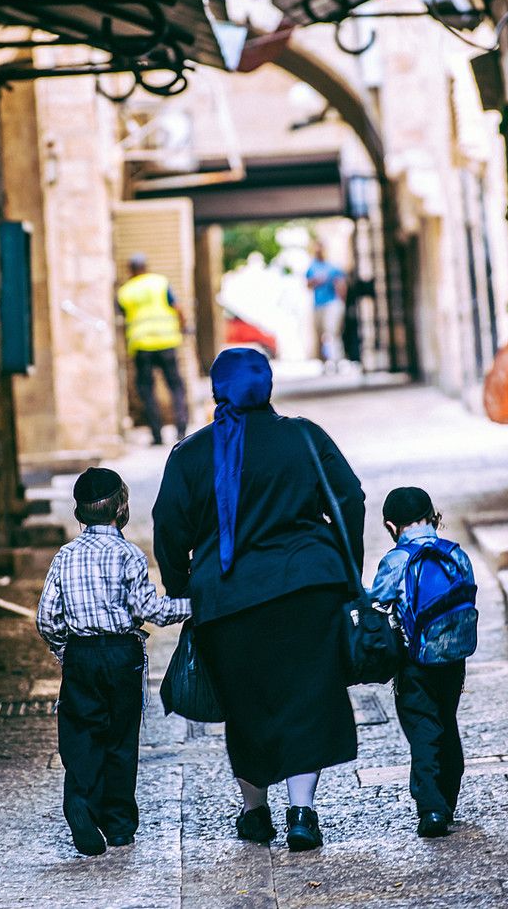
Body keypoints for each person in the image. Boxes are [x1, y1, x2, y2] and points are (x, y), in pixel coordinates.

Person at [152, 347, 365, 850]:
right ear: (266, 385)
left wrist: (182, 584)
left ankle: (255, 813)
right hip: (306, 590)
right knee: (306, 697)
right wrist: (343, 563)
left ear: (216, 389)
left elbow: (168, 526)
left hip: (228, 604)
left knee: (247, 705)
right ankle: (303, 813)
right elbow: (350, 497)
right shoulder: (303, 436)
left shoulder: (189, 455)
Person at [36, 467, 191, 856]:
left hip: (81, 655)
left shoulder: (65, 556)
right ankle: (119, 826)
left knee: (83, 732)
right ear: (122, 508)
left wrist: (64, 651)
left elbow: (46, 618)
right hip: (123, 654)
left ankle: (80, 802)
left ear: (78, 514)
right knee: (121, 738)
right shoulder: (129, 554)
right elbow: (148, 608)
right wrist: (195, 604)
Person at [369, 486, 472, 838]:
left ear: (390, 525)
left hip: (414, 663)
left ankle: (431, 810)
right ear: (432, 515)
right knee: (447, 720)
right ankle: (448, 800)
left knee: (424, 731)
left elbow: (378, 604)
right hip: (454, 659)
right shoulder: (455, 554)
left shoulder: (396, 560)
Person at [117, 253, 189, 445]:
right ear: (146, 267)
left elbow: (121, 318)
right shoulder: (160, 283)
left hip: (142, 347)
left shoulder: (126, 291)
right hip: (167, 342)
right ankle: (181, 430)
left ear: (130, 270)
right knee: (176, 386)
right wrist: (183, 326)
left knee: (147, 390)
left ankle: (156, 435)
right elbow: (178, 308)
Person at [306, 241, 347, 368]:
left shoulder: (332, 267)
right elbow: (308, 284)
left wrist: (341, 302)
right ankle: (323, 362)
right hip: (318, 305)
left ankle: (337, 360)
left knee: (332, 331)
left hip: (332, 303)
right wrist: (317, 281)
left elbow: (341, 284)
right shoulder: (312, 267)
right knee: (319, 334)